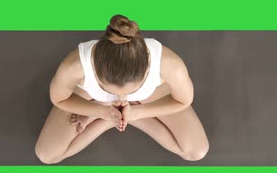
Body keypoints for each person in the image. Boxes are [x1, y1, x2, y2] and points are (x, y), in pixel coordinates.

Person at [35, 14, 209, 164]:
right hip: (89, 95)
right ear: (95, 70)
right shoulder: (74, 66)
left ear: (147, 69)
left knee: (195, 151)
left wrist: (138, 113)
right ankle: (110, 117)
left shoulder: (170, 65)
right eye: (111, 90)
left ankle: (123, 116)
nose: (120, 98)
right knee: (47, 155)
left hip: (150, 96)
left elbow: (184, 100)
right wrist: (100, 111)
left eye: (130, 92)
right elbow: (58, 98)